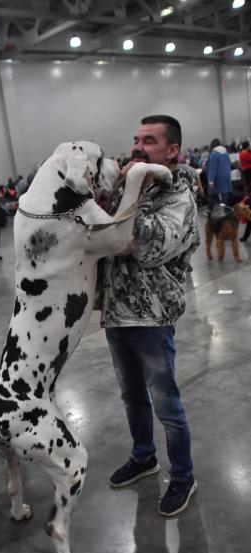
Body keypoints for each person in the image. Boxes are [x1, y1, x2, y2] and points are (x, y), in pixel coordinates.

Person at [102, 114, 200, 517]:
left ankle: (183, 477)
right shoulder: (134, 186)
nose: (138, 146)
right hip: (116, 313)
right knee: (131, 398)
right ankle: (145, 457)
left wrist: (130, 193)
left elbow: (143, 246)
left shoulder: (179, 198)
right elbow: (101, 229)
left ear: (171, 151)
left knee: (166, 405)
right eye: (136, 138)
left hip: (152, 317)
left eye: (150, 141)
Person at [206, 138, 232, 211]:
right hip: (227, 175)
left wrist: (211, 180)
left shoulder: (214, 153)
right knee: (225, 193)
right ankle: (225, 209)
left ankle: (209, 209)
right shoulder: (226, 152)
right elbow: (229, 163)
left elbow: (212, 168)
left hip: (218, 176)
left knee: (212, 192)